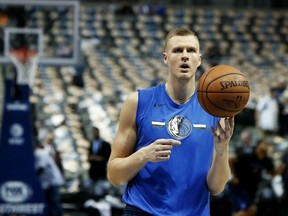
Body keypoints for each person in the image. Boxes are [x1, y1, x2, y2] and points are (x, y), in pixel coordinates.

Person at [107, 27, 234, 216]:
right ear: (166, 58)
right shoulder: (138, 102)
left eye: (191, 51)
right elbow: (114, 175)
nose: (185, 56)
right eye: (178, 50)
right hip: (142, 211)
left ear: (199, 59)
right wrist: (143, 155)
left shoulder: (216, 110)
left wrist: (222, 151)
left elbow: (216, 188)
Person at [228, 139, 282, 216]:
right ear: (258, 145)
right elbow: (230, 160)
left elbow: (272, 173)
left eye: (267, 144)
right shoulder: (248, 154)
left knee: (248, 211)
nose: (266, 146)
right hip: (238, 187)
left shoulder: (266, 160)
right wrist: (233, 176)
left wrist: (279, 171)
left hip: (251, 189)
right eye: (264, 143)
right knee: (250, 209)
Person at [34, 139, 65, 216]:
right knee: (49, 203)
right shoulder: (36, 154)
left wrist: (31, 177)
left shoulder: (40, 152)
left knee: (55, 202)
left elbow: (41, 168)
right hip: (47, 183)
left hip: (53, 181)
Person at [88, 126, 111, 197]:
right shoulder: (92, 143)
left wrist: (99, 158)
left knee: (100, 189)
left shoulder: (105, 144)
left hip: (101, 170)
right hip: (93, 171)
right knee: (93, 190)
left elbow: (108, 157)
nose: (94, 133)